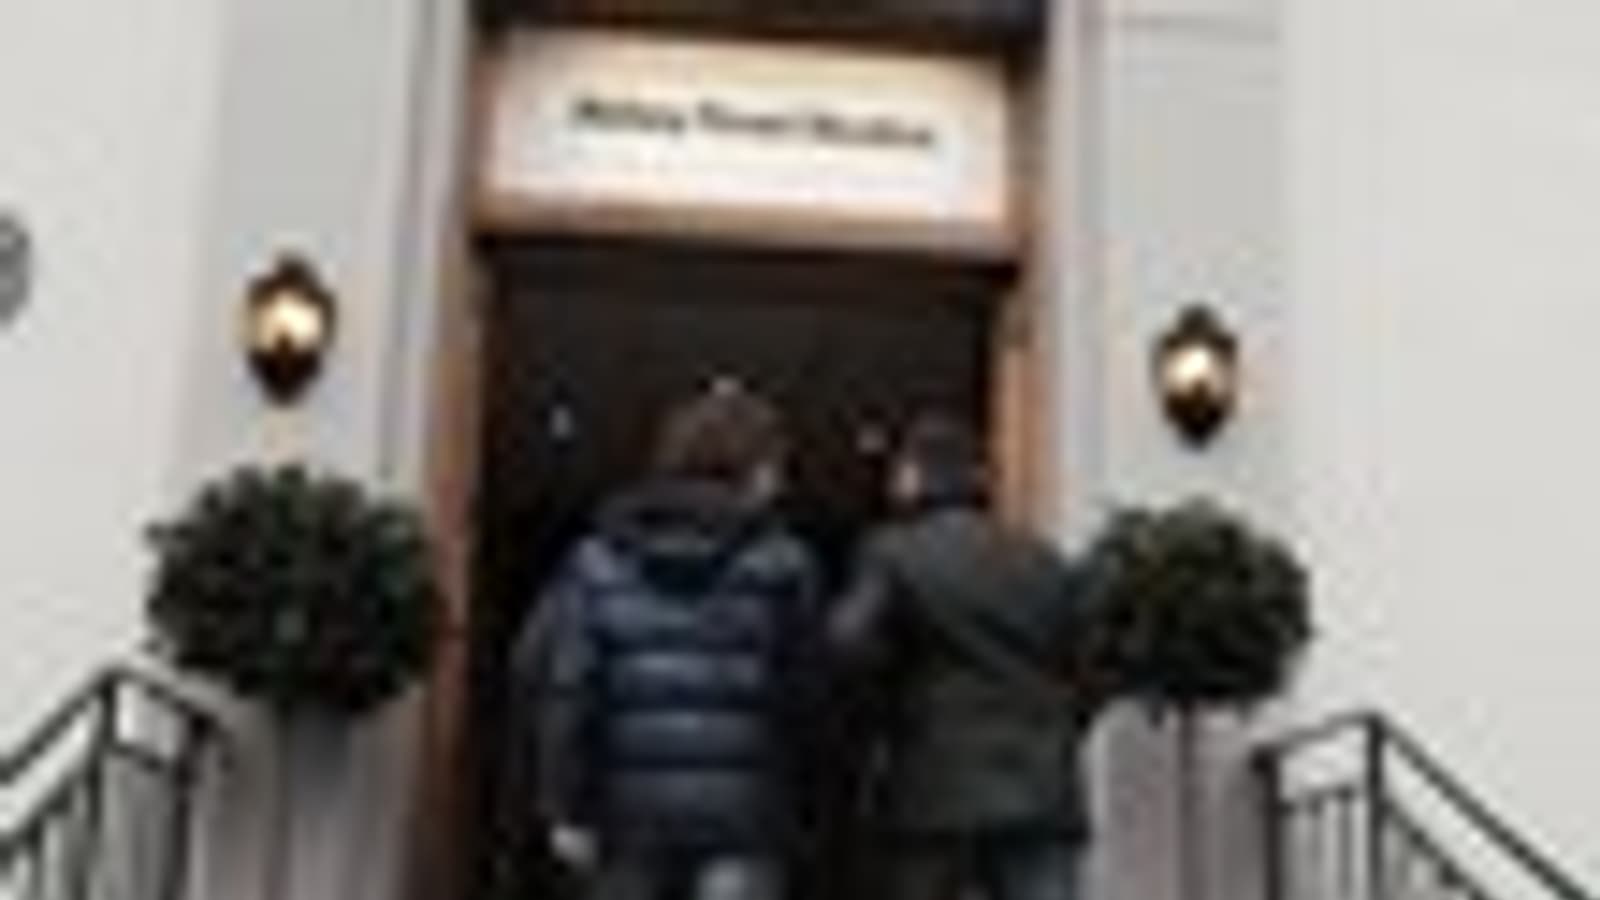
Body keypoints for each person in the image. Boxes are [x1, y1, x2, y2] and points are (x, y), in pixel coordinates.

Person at [509, 387, 822, 900]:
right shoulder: (786, 563)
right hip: (745, 820)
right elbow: (807, 696)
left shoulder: (597, 558)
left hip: (624, 818)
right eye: (775, 464)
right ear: (750, 465)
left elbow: (569, 687)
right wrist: (806, 806)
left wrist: (562, 805)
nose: (781, 480)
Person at [831, 414, 1103, 900]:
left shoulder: (892, 553)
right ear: (981, 480)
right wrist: (1057, 725)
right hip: (1042, 785)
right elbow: (1094, 664)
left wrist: (884, 719)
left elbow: (846, 647)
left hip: (931, 788)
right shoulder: (1044, 558)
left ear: (912, 476)